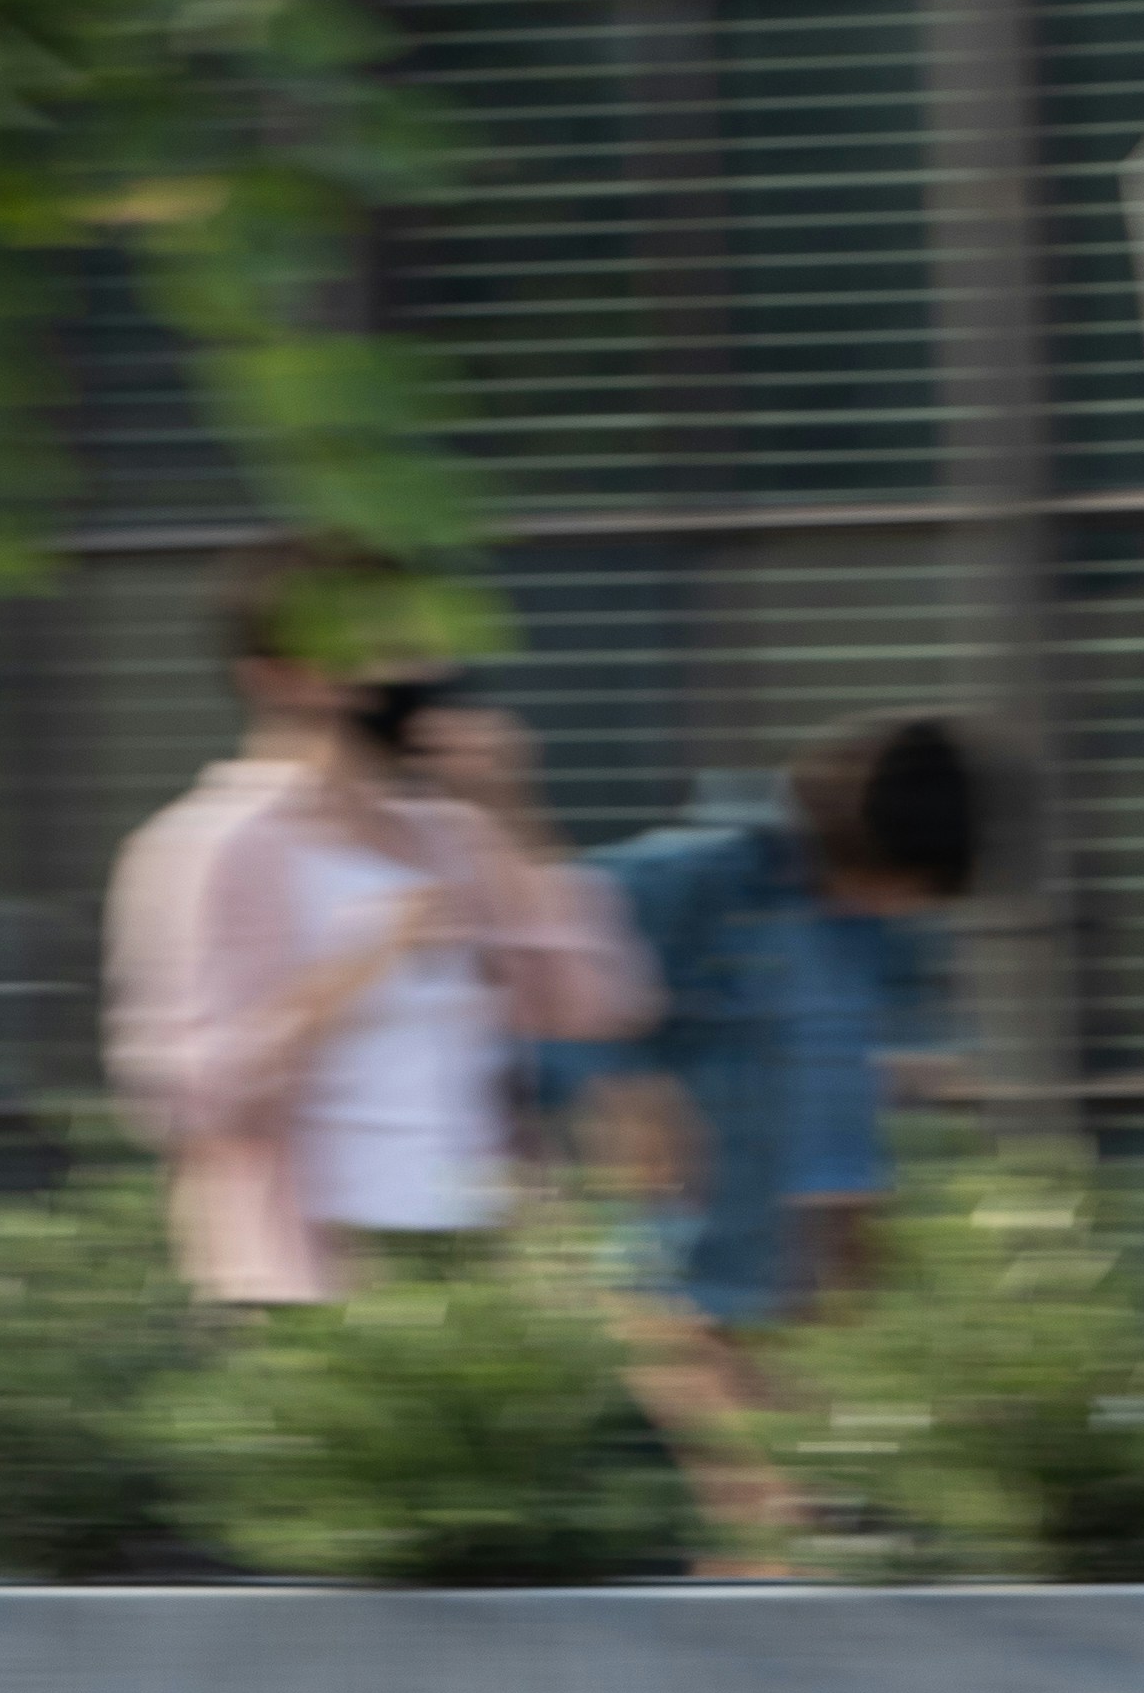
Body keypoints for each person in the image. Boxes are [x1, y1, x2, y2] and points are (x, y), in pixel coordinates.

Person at [103, 539, 649, 1304]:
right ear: (275, 677)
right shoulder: (209, 850)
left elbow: (593, 1006)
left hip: (487, 1256)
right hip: (309, 1275)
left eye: (413, 641)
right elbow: (193, 1100)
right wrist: (356, 963)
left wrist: (517, 814)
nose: (407, 672)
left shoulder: (452, 835)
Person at [556, 715, 992, 1332]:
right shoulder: (693, 883)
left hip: (813, 1256)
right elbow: (556, 959)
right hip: (690, 1240)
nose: (915, 905)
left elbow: (844, 1088)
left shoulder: (870, 935)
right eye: (912, 887)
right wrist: (621, 1095)